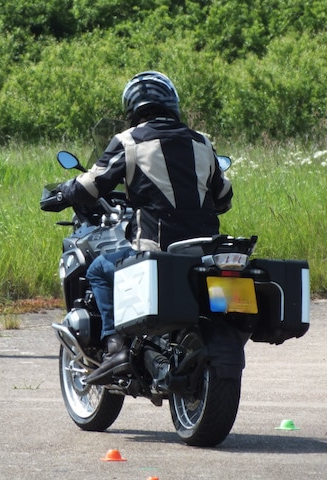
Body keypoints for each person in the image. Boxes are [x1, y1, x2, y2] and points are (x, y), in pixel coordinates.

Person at [57, 71, 233, 384]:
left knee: (99, 269)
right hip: (206, 251)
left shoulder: (129, 141)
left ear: (133, 107)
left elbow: (89, 186)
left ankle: (115, 348)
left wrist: (63, 192)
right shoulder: (201, 142)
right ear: (172, 103)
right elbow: (224, 197)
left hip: (155, 248)